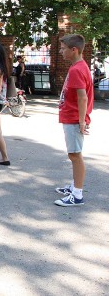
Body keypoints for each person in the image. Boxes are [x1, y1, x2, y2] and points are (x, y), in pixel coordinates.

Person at [54, 34, 93, 206]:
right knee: (74, 154)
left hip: (74, 118)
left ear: (74, 49)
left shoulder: (77, 69)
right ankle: (74, 187)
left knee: (75, 155)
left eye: (63, 49)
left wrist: (82, 122)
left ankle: (77, 195)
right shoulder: (79, 66)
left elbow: (82, 98)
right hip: (73, 117)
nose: (61, 51)